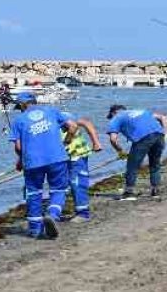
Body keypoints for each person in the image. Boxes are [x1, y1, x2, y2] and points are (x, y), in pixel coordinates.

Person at [9, 92, 78, 239]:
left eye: (19, 107)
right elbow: (72, 126)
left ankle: (35, 229)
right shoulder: (51, 111)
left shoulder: (19, 120)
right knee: (58, 190)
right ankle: (53, 215)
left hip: (33, 162)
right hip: (57, 158)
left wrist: (20, 160)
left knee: (34, 193)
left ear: (22, 105)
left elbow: (18, 147)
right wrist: (67, 141)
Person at [106, 105, 167, 200]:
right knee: (154, 164)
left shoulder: (116, 117)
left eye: (110, 117)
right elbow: (163, 117)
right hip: (159, 135)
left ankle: (129, 192)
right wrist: (165, 133)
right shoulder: (140, 110)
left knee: (132, 165)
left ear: (113, 113)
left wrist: (120, 151)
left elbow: (113, 139)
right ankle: (155, 191)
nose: (111, 119)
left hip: (143, 138)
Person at [60, 111, 103, 222]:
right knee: (65, 183)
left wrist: (96, 142)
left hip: (77, 154)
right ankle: (65, 210)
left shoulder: (60, 116)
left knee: (77, 182)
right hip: (64, 157)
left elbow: (84, 122)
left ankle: (83, 214)